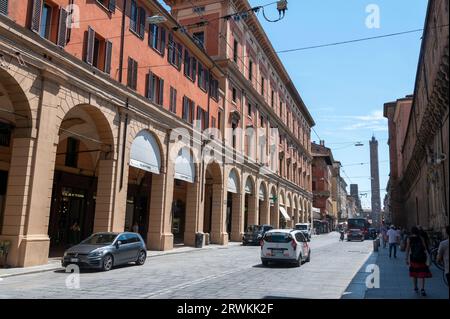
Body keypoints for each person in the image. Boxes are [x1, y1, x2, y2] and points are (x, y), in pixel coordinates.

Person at [405, 226, 432, 296]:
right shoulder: (421, 238)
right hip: (421, 258)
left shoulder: (409, 238)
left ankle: (415, 288)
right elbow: (425, 248)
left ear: (411, 231)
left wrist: (406, 258)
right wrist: (428, 256)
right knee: (422, 273)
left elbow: (407, 249)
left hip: (413, 258)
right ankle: (422, 289)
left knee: (414, 273)